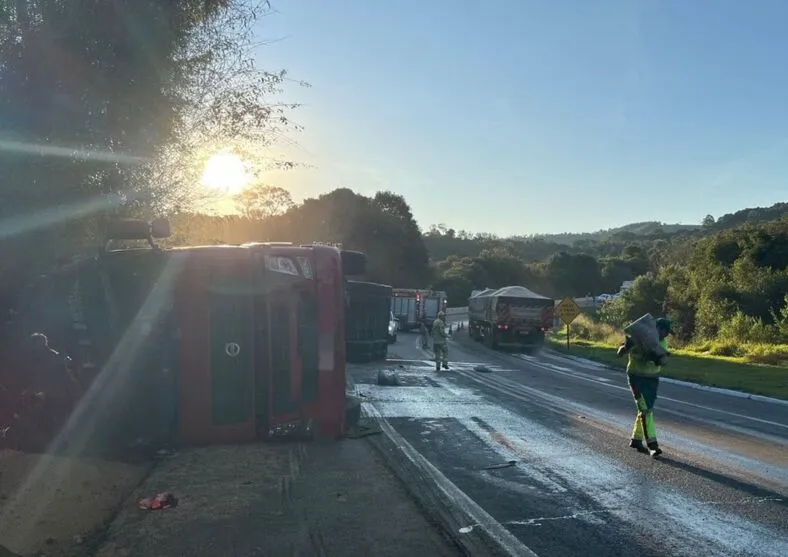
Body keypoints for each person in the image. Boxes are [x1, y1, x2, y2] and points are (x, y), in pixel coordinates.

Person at [617, 317, 673, 458]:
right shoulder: (637, 337)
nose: (666, 335)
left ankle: (636, 439)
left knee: (646, 408)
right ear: (658, 329)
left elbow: (659, 359)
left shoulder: (662, 343)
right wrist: (626, 347)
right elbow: (620, 351)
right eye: (665, 331)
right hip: (636, 378)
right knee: (645, 409)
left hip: (652, 380)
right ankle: (653, 446)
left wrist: (654, 354)